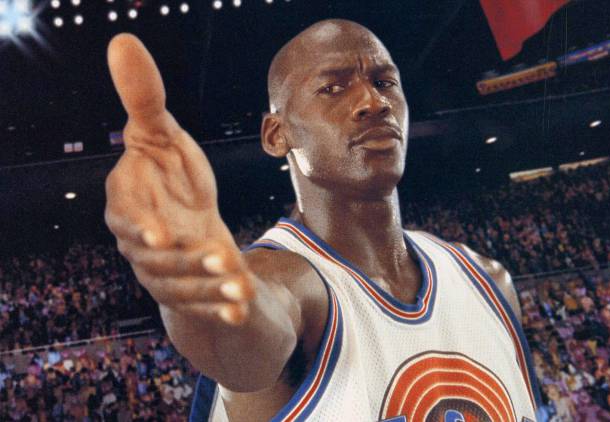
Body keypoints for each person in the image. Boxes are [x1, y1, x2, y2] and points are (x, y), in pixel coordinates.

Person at [105, 19, 541, 422]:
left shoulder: (489, 281)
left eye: (384, 82)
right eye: (333, 88)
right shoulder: (287, 284)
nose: (373, 102)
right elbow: (241, 337)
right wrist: (195, 280)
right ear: (277, 135)